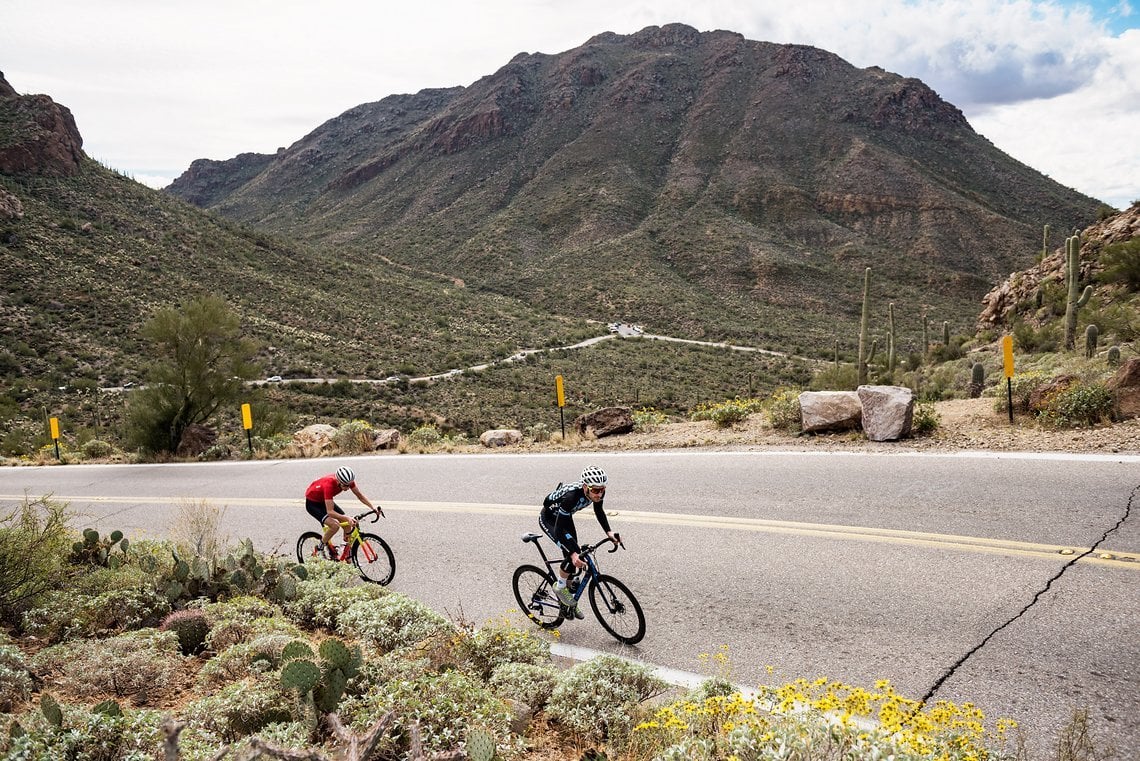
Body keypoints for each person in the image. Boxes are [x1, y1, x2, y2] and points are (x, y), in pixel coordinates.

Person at [539, 465, 618, 619]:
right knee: (572, 555)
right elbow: (559, 530)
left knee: (575, 560)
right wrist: (573, 553)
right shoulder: (571, 497)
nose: (599, 493)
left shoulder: (596, 491)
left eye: (602, 489)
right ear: (585, 487)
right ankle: (560, 588)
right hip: (550, 520)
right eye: (595, 490)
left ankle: (567, 603)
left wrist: (609, 532)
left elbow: (599, 511)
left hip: (565, 517)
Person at [305, 466, 383, 556]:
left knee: (346, 523)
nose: (347, 488)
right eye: (345, 485)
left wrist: (373, 508)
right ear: (338, 481)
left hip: (324, 500)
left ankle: (346, 553)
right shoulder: (329, 484)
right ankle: (319, 547)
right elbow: (330, 512)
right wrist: (347, 518)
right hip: (313, 504)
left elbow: (359, 495)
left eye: (349, 485)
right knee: (335, 526)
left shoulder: (348, 481)